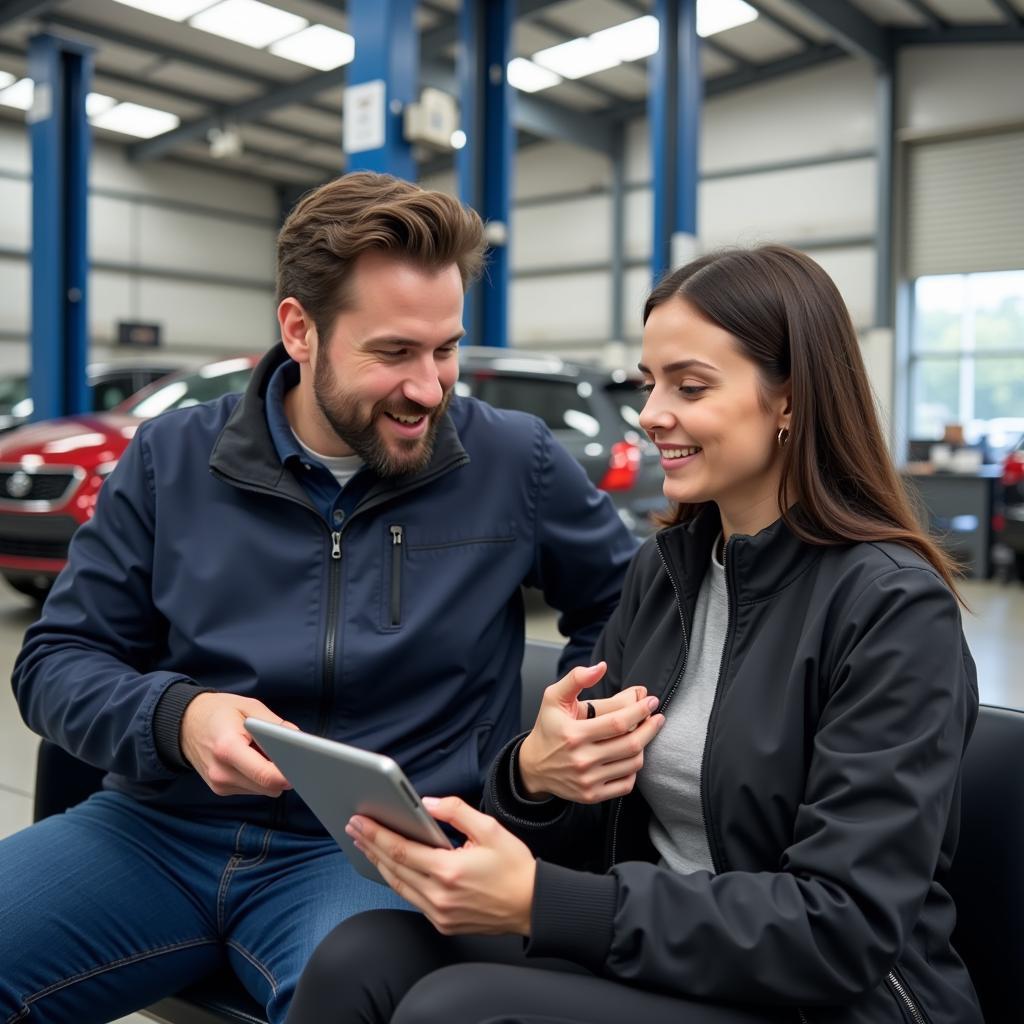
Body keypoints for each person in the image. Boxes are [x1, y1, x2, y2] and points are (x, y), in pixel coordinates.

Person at [0, 172, 637, 1024]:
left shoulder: (514, 462)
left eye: (444, 348)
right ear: (299, 330)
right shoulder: (169, 460)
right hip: (155, 833)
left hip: (378, 854)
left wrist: (574, 721)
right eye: (393, 353)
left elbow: (630, 607)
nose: (431, 387)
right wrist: (177, 719)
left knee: (367, 1004)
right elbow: (54, 662)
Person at [287, 245, 983, 1024]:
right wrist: (537, 778)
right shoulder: (667, 571)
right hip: (666, 955)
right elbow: (596, 837)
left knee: (460, 1010)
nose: (651, 412)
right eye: (652, 383)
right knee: (358, 956)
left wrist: (546, 903)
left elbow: (841, 929)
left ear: (790, 400)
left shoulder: (890, 608)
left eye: (689, 385)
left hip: (821, 994)